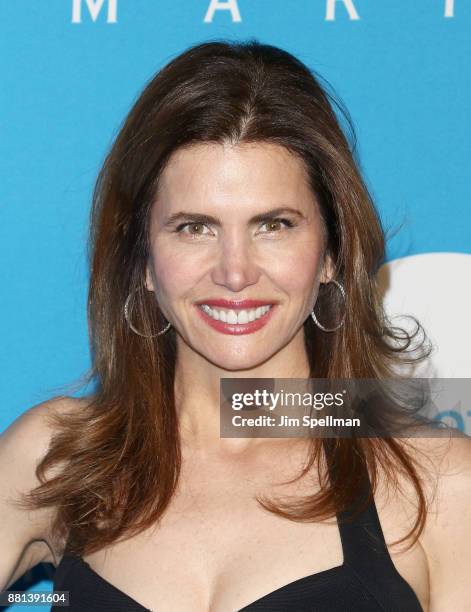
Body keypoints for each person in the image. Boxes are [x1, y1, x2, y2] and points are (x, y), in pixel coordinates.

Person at [1, 39, 470, 612]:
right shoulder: (61, 456)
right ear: (142, 260)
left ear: (330, 252)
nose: (234, 271)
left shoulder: (438, 481)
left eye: (273, 225)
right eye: (194, 227)